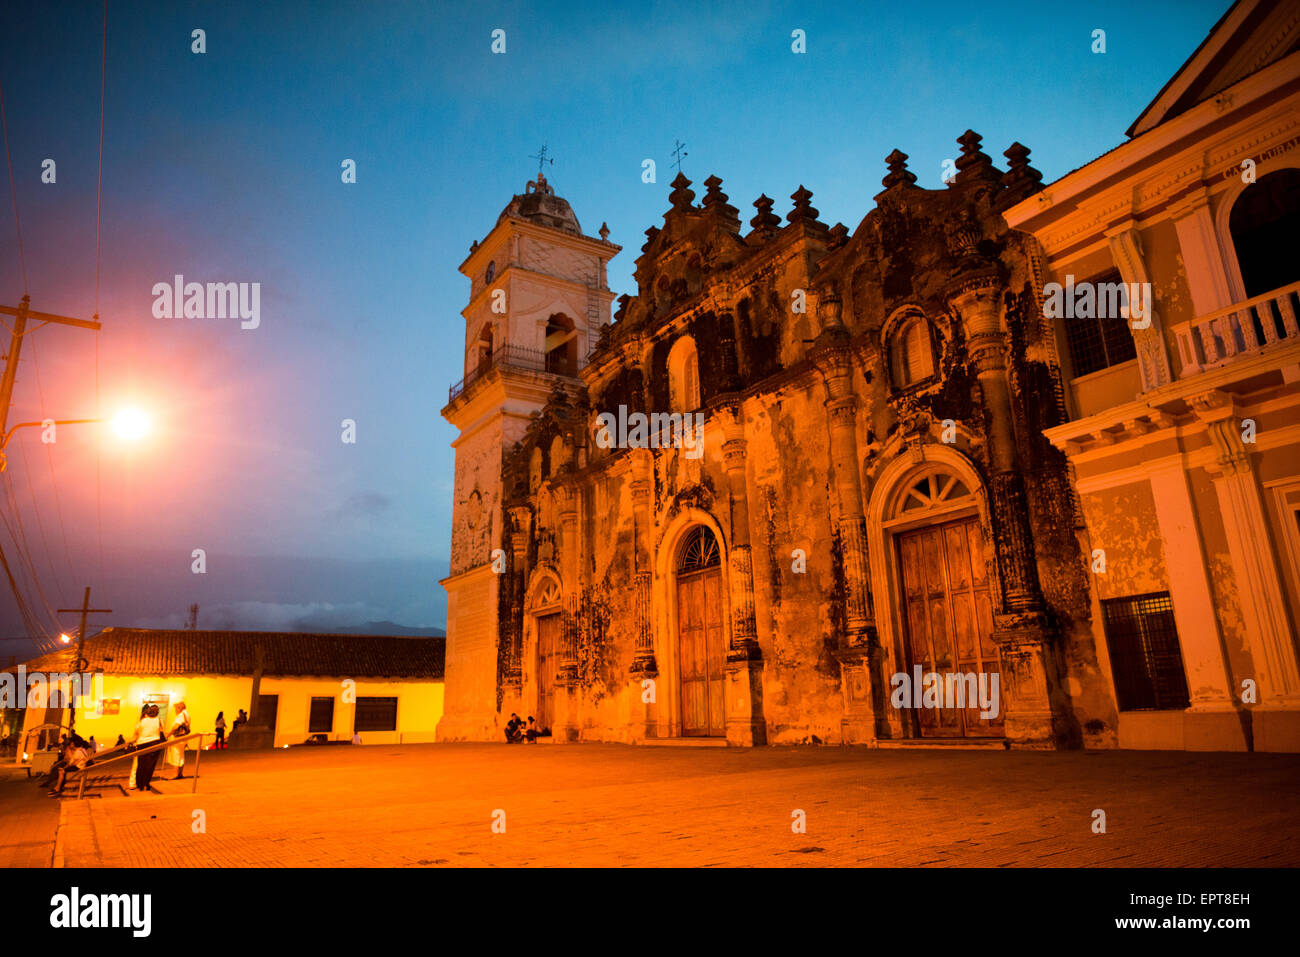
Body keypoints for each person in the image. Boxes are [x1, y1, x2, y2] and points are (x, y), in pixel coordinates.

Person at [129, 704, 166, 794]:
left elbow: (136, 732)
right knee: (150, 765)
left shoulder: (143, 721)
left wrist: (131, 742)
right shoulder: (159, 720)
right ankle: (146, 783)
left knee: (141, 764)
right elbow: (164, 732)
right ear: (157, 712)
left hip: (142, 744)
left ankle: (139, 784)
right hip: (154, 743)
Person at [166, 701, 191, 779]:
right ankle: (180, 773)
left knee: (176, 755)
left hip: (177, 738)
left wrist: (169, 734)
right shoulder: (187, 714)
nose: (175, 711)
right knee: (181, 755)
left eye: (176, 709)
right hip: (184, 737)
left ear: (179, 708)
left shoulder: (181, 715)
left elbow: (176, 726)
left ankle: (175, 774)